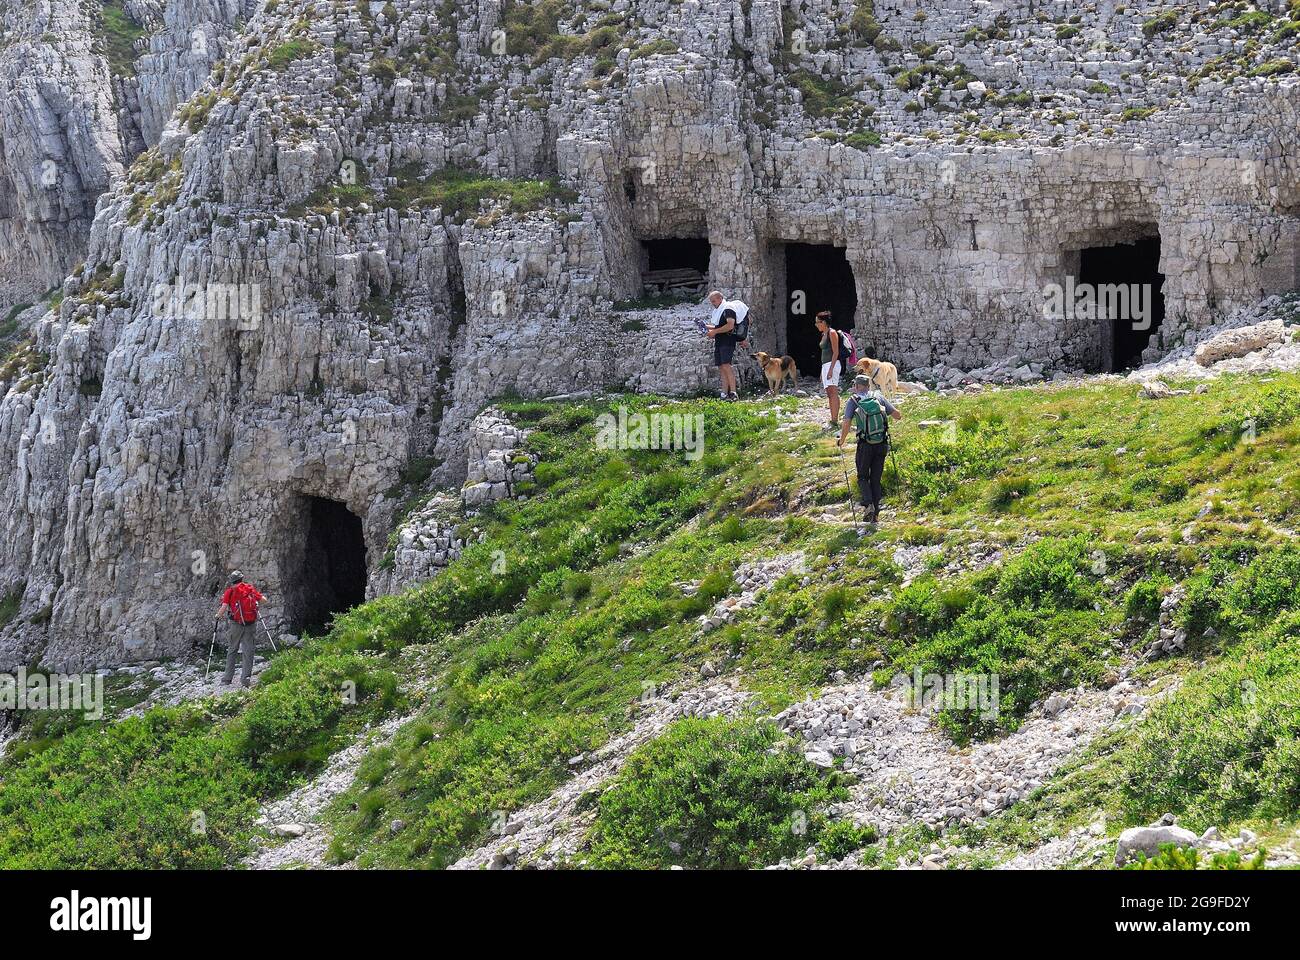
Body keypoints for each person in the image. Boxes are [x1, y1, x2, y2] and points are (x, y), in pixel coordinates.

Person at [837, 374, 902, 523]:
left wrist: (842, 440)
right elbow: (897, 415)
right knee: (875, 479)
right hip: (881, 443)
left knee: (862, 477)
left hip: (865, 445)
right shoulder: (878, 397)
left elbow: (846, 422)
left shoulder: (854, 400)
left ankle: (869, 506)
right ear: (868, 385)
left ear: (857, 386)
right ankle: (876, 515)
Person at [215, 570, 265, 687]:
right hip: (250, 624)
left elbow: (224, 607)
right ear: (242, 579)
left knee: (232, 649)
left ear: (232, 581)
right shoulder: (250, 589)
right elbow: (263, 600)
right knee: (248, 651)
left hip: (236, 624)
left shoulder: (230, 592)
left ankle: (227, 679)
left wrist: (218, 616)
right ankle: (245, 679)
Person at [705, 290, 750, 401]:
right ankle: (724, 393)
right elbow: (719, 326)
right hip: (720, 341)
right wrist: (707, 327)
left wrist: (714, 332)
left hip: (727, 340)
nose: (713, 303)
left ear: (720, 299)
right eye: (711, 302)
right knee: (721, 367)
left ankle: (733, 392)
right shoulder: (719, 311)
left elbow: (730, 325)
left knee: (726, 365)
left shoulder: (728, 309)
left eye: (714, 301)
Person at [814, 310, 844, 428]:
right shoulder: (824, 334)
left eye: (818, 322)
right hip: (825, 365)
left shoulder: (832, 333)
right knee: (829, 393)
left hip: (833, 364)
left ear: (824, 322)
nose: (816, 325)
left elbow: (835, 352)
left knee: (833, 392)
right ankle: (833, 419)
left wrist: (831, 369)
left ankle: (835, 420)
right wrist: (823, 371)